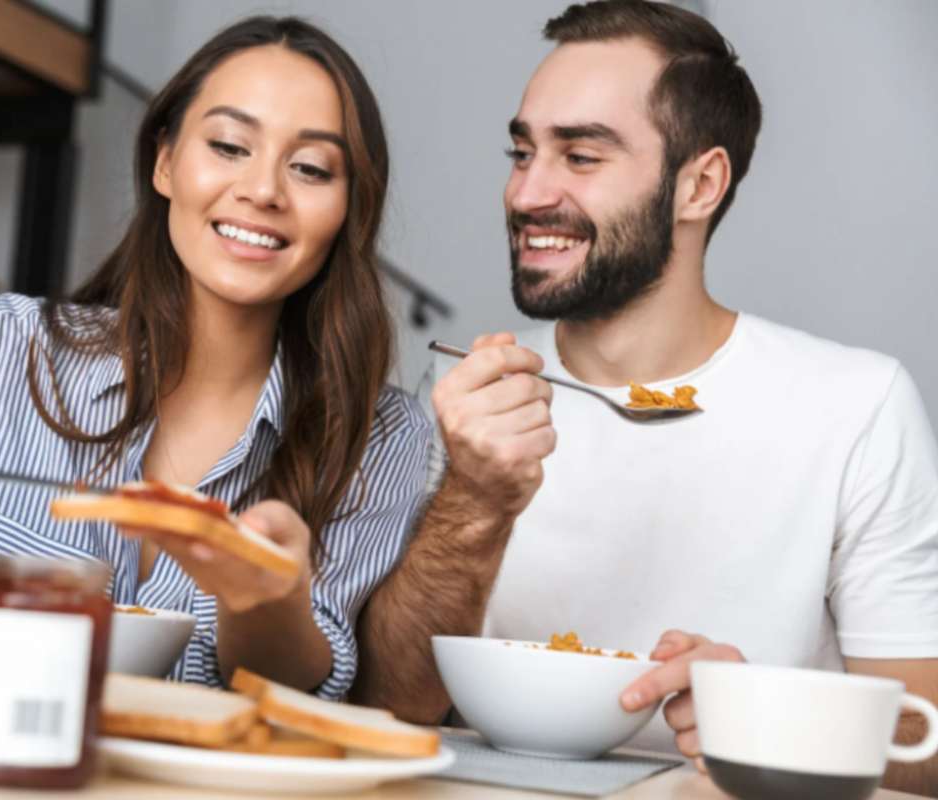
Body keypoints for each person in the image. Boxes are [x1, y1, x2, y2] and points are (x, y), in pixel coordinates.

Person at [0, 16, 430, 699]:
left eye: (310, 168)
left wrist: (264, 595)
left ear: (349, 210)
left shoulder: (382, 437)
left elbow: (300, 690)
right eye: (228, 146)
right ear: (164, 161)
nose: (263, 191)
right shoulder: (0, 352)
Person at [352, 1, 938, 794]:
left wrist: (762, 709)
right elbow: (386, 709)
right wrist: (473, 501)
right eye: (521, 152)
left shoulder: (857, 406)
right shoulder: (467, 399)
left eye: (581, 156)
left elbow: (924, 745)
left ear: (701, 184)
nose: (526, 193)